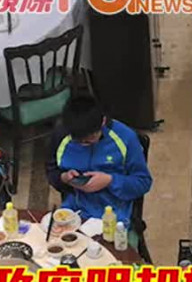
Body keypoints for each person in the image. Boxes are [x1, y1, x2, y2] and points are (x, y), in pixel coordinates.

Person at [45, 95, 152, 231]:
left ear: (103, 122)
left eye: (90, 139)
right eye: (78, 141)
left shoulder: (125, 138)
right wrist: (64, 178)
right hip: (75, 211)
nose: (84, 144)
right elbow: (51, 172)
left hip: (114, 213)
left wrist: (110, 181)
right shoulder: (61, 135)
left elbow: (143, 182)